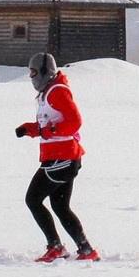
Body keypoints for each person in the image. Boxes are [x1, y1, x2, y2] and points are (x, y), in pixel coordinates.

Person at [14, 53, 98, 263]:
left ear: (44, 72)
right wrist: (29, 129)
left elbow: (74, 121)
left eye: (34, 72)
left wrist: (46, 131)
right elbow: (49, 125)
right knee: (61, 207)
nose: (31, 77)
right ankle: (86, 249)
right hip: (62, 158)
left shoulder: (57, 92)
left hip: (61, 159)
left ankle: (56, 246)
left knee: (33, 199)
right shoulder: (47, 93)